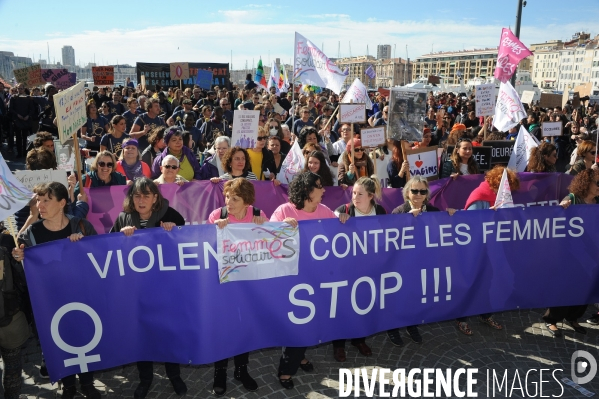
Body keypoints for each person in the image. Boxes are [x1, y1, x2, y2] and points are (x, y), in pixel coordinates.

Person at [16, 182, 101, 399]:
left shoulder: (81, 227)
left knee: (84, 338)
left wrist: (84, 246)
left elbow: (99, 260)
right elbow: (23, 277)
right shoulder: (30, 235)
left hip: (82, 298)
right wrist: (19, 260)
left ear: (62, 203)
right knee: (58, 341)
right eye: (38, 200)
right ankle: (68, 385)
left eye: (46, 200)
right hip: (49, 302)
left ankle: (88, 383)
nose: (40, 205)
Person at [109, 178, 187, 398]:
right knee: (142, 334)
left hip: (166, 291)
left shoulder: (170, 215)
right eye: (137, 195)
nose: (141, 200)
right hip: (137, 292)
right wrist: (118, 238)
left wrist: (176, 231)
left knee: (168, 332)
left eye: (146, 195)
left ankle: (174, 375)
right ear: (131, 198)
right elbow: (107, 251)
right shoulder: (124, 218)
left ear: (155, 198)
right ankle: (145, 378)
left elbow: (188, 245)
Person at [270, 171, 345, 389]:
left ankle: (300, 356)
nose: (323, 190)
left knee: (312, 319)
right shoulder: (284, 210)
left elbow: (340, 236)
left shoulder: (324, 211)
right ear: (306, 191)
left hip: (319, 277)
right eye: (319, 186)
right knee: (297, 321)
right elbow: (269, 240)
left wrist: (343, 220)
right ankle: (286, 370)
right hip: (293, 279)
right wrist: (281, 227)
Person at [207, 179, 268, 396]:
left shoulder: (258, 214)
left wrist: (265, 227)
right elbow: (205, 249)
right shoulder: (217, 215)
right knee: (223, 328)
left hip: (248, 284)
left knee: (244, 327)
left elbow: (272, 244)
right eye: (227, 197)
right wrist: (214, 231)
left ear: (247, 201)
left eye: (235, 199)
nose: (229, 202)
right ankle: (220, 373)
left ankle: (242, 371)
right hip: (223, 284)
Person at [387, 176, 457, 344]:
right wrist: (407, 221)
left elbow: (442, 232)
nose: (418, 194)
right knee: (399, 296)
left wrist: (450, 216)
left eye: (422, 191)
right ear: (407, 193)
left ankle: (412, 325)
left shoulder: (433, 211)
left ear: (427, 194)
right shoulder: (399, 212)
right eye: (414, 191)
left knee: (415, 295)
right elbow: (390, 239)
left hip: (423, 263)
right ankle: (393, 328)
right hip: (402, 264)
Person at [456, 166, 521, 335]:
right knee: (471, 282)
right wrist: (489, 215)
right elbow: (470, 224)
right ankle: (461, 318)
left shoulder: (496, 197)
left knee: (487, 280)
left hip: (489, 248)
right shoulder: (480, 196)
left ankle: (485, 313)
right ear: (498, 183)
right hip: (474, 250)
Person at [330, 176, 386, 361]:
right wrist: (337, 220)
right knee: (343, 306)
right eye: (353, 192)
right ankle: (338, 344)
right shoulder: (343, 211)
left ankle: (359, 339)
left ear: (371, 196)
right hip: (345, 270)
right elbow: (324, 231)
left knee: (363, 304)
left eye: (360, 194)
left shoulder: (380, 211)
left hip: (369, 269)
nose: (355, 197)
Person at [549, 169, 599, 333]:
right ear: (587, 184)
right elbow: (558, 214)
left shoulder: (597, 201)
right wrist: (563, 206)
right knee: (565, 287)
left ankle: (573, 317)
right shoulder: (573, 199)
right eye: (597, 183)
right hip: (571, 253)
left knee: (584, 287)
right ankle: (552, 320)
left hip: (591, 254)